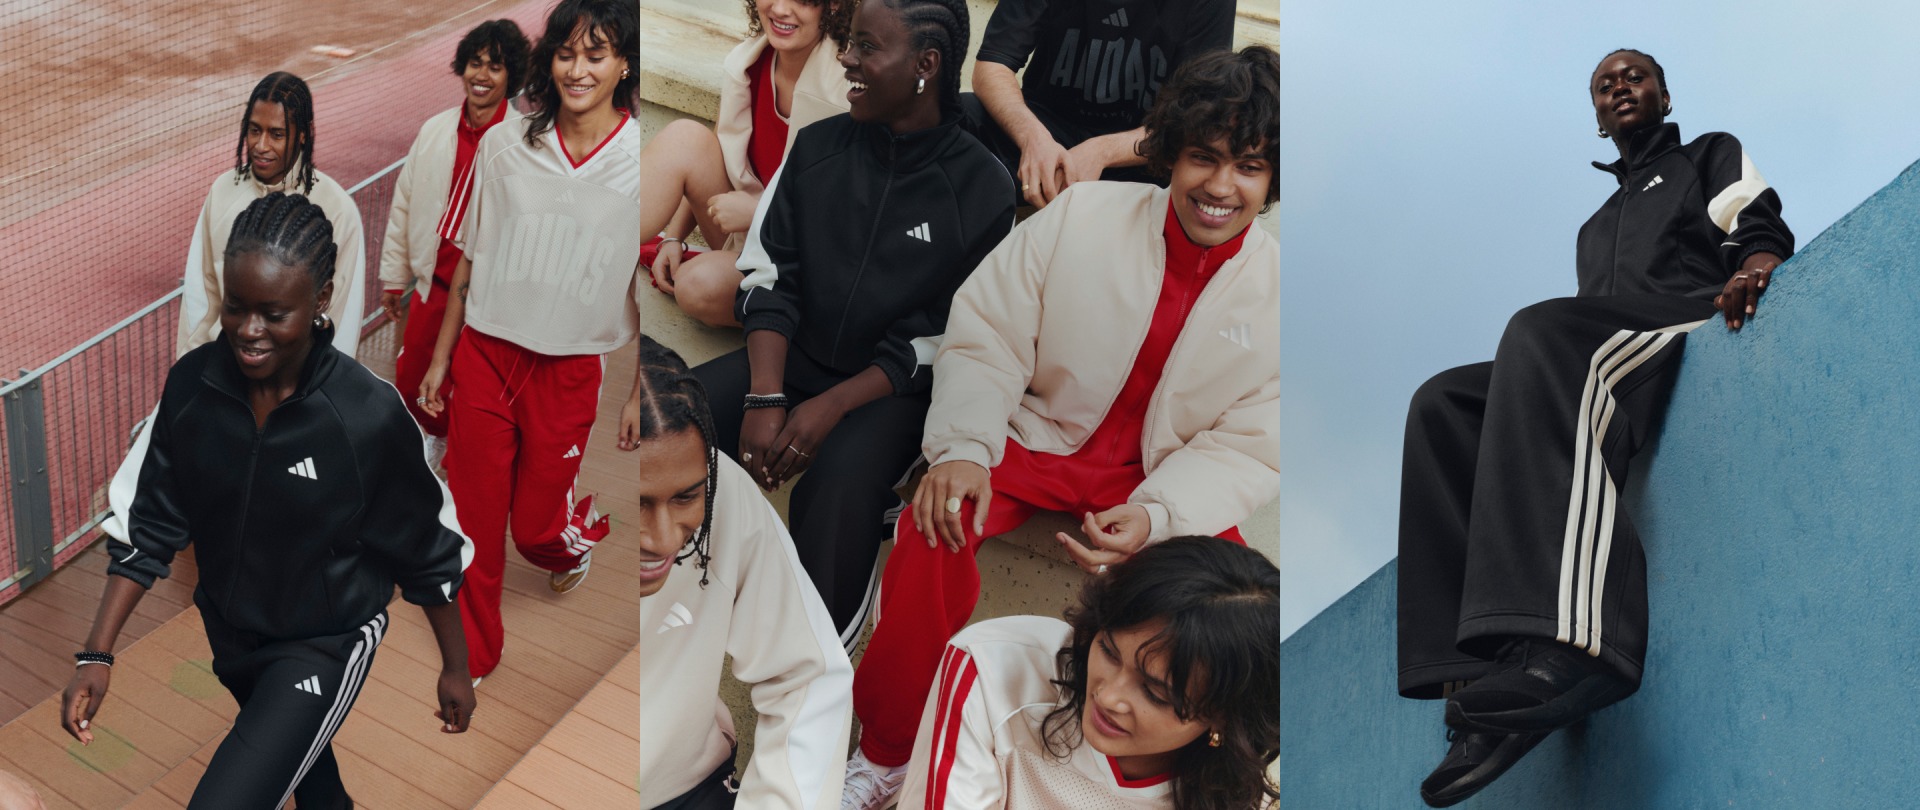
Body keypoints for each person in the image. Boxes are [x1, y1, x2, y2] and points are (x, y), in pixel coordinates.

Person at [842, 45, 1278, 808]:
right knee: (932, 523)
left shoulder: (1284, 296)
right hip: (1032, 440)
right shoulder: (1083, 215)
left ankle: (1205, 789)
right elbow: (989, 336)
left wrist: (1156, 515)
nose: (1220, 185)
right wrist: (965, 449)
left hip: (1157, 482)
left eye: (1248, 166)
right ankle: (885, 753)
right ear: (1171, 154)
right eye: (1203, 158)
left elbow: (1250, 441)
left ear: (1271, 180)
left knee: (1241, 617)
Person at [1397, 49, 1794, 807]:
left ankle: (1575, 643)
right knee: (1442, 405)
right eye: (1605, 84)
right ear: (1596, 111)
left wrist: (1760, 260)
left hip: (1689, 318)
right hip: (1603, 342)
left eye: (1634, 76)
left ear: (1663, 92)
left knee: (1541, 331)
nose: (1621, 88)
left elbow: (1754, 216)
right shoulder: (1596, 224)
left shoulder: (1704, 154)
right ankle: (1485, 686)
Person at [64, 193, 476, 809]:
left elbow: (427, 550)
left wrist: (455, 667)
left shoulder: (365, 416)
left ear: (321, 300)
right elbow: (149, 526)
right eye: (236, 307)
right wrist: (98, 653)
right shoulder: (192, 386)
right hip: (229, 633)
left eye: (273, 313)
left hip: (325, 643)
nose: (248, 332)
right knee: (306, 774)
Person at [692, 0, 1016, 653]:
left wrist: (828, 408)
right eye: (852, 44)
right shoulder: (817, 148)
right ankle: (679, 599)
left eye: (867, 47)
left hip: (892, 393)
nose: (846, 58)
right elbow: (769, 275)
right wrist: (765, 394)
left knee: (838, 484)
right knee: (671, 415)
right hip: (795, 357)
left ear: (926, 65)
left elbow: (943, 336)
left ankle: (818, 659)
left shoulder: (982, 187)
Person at [416, 0, 641, 683]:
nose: (578, 69)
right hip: (485, 356)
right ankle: (477, 656)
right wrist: (439, 360)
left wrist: (640, 392)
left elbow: (646, 290)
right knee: (477, 523)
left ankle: (572, 547)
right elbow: (468, 264)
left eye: (596, 54)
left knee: (534, 527)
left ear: (624, 63)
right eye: (566, 53)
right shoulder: (501, 146)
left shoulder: (642, 159)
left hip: (569, 370)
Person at [898, 537, 1277, 809]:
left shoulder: (1229, 790)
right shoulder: (996, 666)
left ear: (1223, 718)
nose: (1108, 696)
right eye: (1108, 651)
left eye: (1155, 694)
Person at [637, 337, 852, 809]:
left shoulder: (723, 490)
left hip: (677, 789)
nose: (663, 537)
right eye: (637, 503)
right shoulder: (483, 522)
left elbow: (808, 675)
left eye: (685, 498)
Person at [639, 0, 854, 327]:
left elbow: (848, 224)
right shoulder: (751, 60)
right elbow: (718, 141)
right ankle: (588, 257)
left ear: (834, 5)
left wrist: (760, 215)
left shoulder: (849, 89)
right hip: (738, 235)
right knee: (683, 136)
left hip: (799, 266)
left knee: (697, 285)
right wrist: (674, 237)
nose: (781, 9)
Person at [377, 19, 530, 468]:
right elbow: (404, 203)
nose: (481, 75)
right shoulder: (434, 131)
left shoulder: (523, 141)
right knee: (412, 378)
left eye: (495, 67)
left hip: (487, 296)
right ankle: (423, 447)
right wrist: (393, 276)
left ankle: (459, 455)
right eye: (474, 63)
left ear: (511, 76)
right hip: (433, 283)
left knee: (471, 385)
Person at [963, 0, 1234, 208]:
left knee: (1215, 155)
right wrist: (1032, 139)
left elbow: (1198, 113)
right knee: (952, 116)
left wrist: (1102, 151)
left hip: (1141, 154)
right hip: (1044, 133)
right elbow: (993, 66)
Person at [179, 72, 366, 358]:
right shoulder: (222, 191)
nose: (261, 145)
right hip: (222, 370)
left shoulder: (338, 210)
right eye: (254, 130)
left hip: (295, 386)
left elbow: (342, 317)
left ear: (304, 133)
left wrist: (321, 396)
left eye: (277, 134)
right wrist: (189, 368)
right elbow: (199, 295)